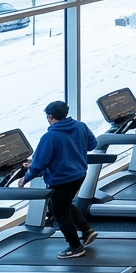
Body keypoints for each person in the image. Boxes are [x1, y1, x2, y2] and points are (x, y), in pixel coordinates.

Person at [22, 102, 99, 258]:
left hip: (60, 180)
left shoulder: (50, 136)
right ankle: (86, 231)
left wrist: (26, 178)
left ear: (50, 117)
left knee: (61, 213)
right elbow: (92, 144)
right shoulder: (80, 126)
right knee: (64, 205)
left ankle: (75, 247)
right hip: (79, 175)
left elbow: (40, 164)